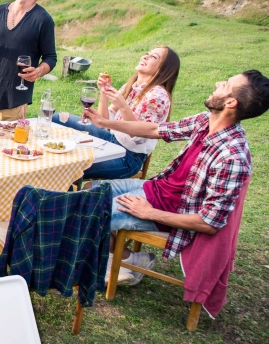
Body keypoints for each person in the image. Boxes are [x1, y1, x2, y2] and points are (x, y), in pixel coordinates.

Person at [82, 70, 269, 285]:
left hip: (169, 210)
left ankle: (105, 261)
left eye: (225, 84)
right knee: (89, 189)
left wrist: (150, 212)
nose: (218, 83)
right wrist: (104, 122)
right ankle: (127, 260)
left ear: (230, 102)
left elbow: (210, 222)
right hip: (155, 189)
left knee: (88, 211)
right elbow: (155, 129)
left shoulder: (232, 157)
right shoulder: (205, 121)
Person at [54, 46, 180, 179]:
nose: (145, 57)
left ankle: (60, 188)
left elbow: (139, 137)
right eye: (147, 53)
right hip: (111, 140)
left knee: (67, 165)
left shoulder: (158, 96)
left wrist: (123, 107)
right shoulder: (131, 86)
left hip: (128, 158)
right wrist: (104, 92)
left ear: (163, 69)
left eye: (153, 57)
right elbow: (104, 121)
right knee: (59, 118)